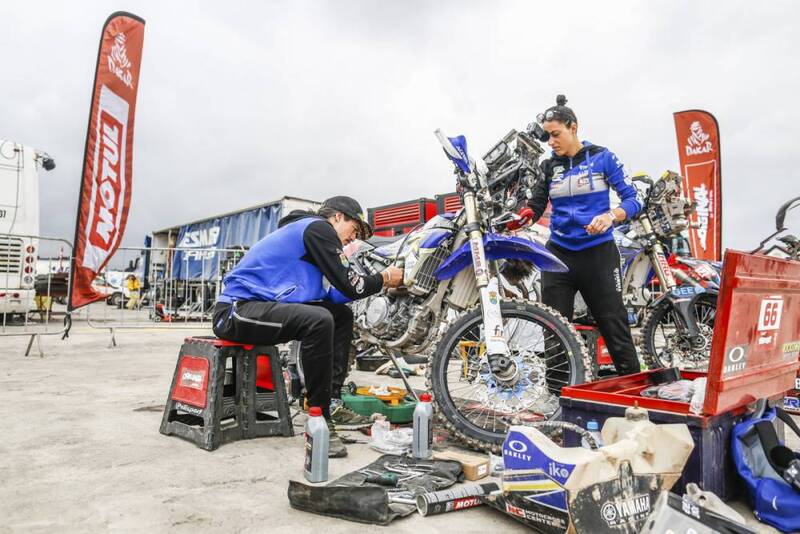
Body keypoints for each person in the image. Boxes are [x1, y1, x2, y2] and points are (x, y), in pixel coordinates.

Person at [212, 196, 404, 457]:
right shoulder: (317, 228)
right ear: (337, 217)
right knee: (319, 320)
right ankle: (319, 418)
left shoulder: (310, 240)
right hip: (236, 310)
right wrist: (384, 278)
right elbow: (351, 284)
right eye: (354, 230)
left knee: (339, 316)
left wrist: (381, 286)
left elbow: (334, 295)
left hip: (257, 307)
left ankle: (331, 401)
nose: (353, 239)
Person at [525, 95, 642, 376]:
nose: (551, 142)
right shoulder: (547, 166)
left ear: (573, 127)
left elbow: (634, 199)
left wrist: (611, 216)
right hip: (558, 255)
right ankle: (558, 395)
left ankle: (634, 390)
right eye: (547, 137)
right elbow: (536, 205)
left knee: (613, 324)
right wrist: (523, 216)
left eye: (556, 134)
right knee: (553, 329)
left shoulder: (602, 156)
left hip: (598, 253)